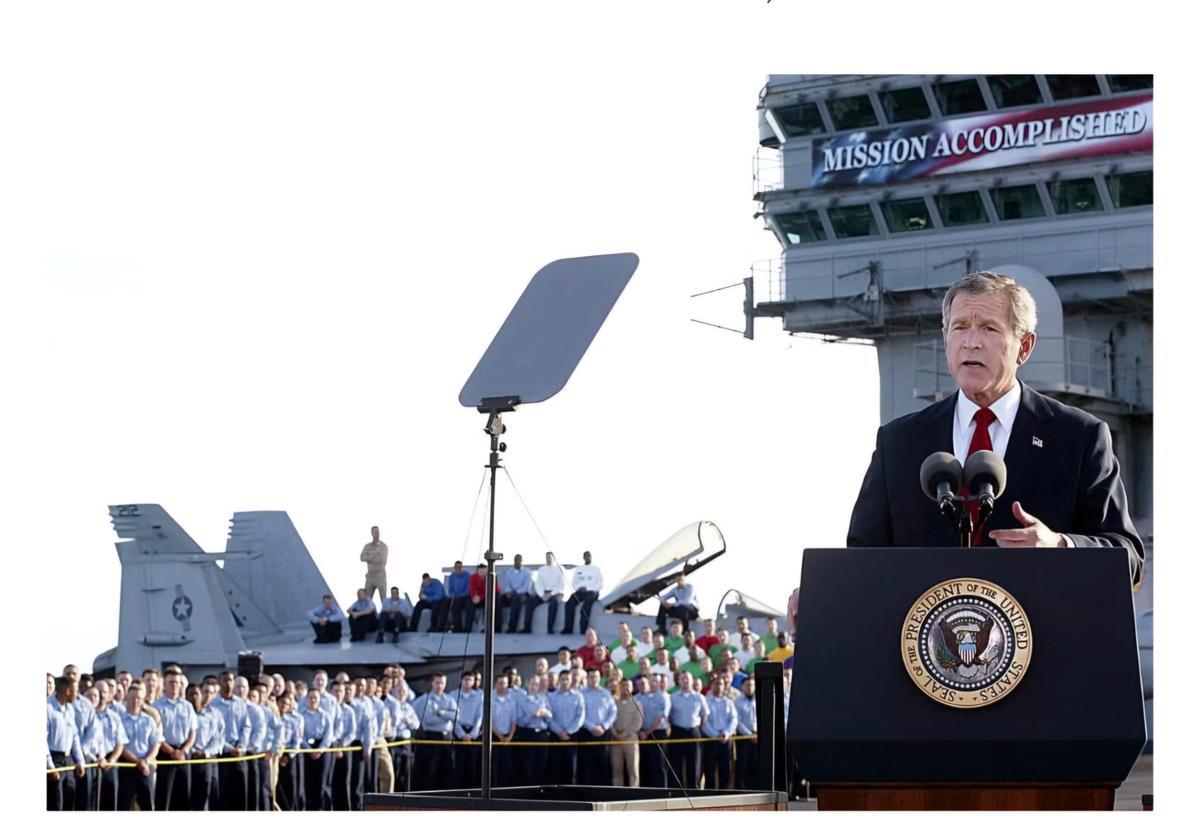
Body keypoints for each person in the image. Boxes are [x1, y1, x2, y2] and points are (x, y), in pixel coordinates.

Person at [846, 271, 1143, 583]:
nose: (971, 343)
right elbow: (862, 557)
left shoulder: (1079, 437)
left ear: (1024, 347)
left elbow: (1129, 557)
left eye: (988, 328)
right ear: (947, 339)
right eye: (960, 327)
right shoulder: (899, 442)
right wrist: (818, 591)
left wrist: (1060, 545)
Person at [153, 666, 197, 810]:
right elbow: (157, 734)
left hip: (184, 754)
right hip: (165, 754)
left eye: (177, 683)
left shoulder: (187, 706)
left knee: (184, 798)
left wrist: (183, 751)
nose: (175, 686)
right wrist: (172, 752)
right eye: (171, 682)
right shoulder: (157, 706)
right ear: (164, 685)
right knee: (164, 798)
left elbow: (192, 732)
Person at [118, 682, 162, 810]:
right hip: (127, 767)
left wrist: (146, 761)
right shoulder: (120, 720)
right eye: (132, 698)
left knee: (148, 805)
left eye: (138, 698)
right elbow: (121, 746)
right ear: (126, 698)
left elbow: (156, 743)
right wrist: (138, 761)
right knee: (124, 805)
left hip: (146, 768)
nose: (135, 701)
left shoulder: (148, 720)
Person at [212, 670, 251, 810]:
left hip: (239, 753)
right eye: (225, 680)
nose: (228, 683)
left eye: (230, 680)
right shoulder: (213, 704)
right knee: (222, 794)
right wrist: (229, 748)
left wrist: (241, 746)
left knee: (241, 793)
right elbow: (214, 732)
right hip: (222, 753)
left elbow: (246, 726)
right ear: (219, 682)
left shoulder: (240, 703)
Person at [47, 675, 87, 811]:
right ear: (68, 691)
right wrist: (50, 767)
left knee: (70, 800)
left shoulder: (70, 709)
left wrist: (80, 761)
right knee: (56, 803)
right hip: (54, 759)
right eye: (76, 691)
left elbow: (74, 736)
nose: (78, 695)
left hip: (68, 760)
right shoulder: (46, 709)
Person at [411, 673, 456, 790]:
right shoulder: (424, 699)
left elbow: (456, 716)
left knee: (446, 767)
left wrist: (441, 713)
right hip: (431, 736)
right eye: (437, 683)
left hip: (446, 737)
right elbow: (429, 719)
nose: (440, 686)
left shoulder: (449, 699)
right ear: (432, 683)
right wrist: (447, 716)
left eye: (442, 683)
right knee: (430, 767)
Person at [667, 671, 708, 790]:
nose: (685, 681)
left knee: (694, 762)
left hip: (693, 732)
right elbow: (669, 716)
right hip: (677, 731)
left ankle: (694, 789)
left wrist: (698, 727)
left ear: (692, 681)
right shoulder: (673, 697)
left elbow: (704, 715)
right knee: (676, 762)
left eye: (687, 679)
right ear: (679, 681)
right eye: (682, 679)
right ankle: (676, 790)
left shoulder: (699, 697)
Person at [578, 668, 617, 785]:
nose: (593, 679)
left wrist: (604, 726)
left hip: (603, 733)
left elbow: (613, 711)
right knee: (587, 764)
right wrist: (591, 727)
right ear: (587, 679)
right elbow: (579, 714)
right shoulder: (581, 694)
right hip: (586, 733)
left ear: (600, 678)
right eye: (591, 677)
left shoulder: (606, 693)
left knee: (604, 763)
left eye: (596, 677)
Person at [547, 670, 585, 783]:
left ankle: (571, 794)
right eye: (563, 679)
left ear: (571, 681)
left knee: (571, 767)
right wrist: (559, 731)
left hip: (571, 737)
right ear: (559, 680)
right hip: (556, 736)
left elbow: (580, 716)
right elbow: (549, 717)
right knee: (555, 768)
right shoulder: (551, 697)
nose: (565, 681)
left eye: (567, 679)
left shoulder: (578, 696)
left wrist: (568, 731)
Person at [298, 687, 333, 812]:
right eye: (310, 697)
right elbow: (299, 736)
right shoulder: (300, 715)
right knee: (307, 781)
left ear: (319, 700)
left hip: (321, 749)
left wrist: (320, 750)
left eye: (315, 698)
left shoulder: (326, 715)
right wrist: (309, 750)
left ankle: (321, 808)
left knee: (322, 781)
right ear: (307, 699)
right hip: (306, 749)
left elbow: (329, 735)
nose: (313, 700)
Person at [514, 674, 552, 785]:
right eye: (531, 684)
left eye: (536, 684)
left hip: (542, 734)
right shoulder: (522, 700)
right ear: (527, 685)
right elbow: (520, 720)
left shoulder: (543, 698)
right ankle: (528, 787)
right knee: (527, 762)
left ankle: (540, 787)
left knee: (542, 762)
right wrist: (532, 715)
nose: (533, 687)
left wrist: (544, 713)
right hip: (528, 733)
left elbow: (551, 716)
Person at [701, 676, 736, 789]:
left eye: (721, 684)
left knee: (725, 768)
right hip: (711, 740)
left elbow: (734, 719)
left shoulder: (729, 702)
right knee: (709, 769)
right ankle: (709, 794)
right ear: (711, 686)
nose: (719, 686)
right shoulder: (705, 701)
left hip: (726, 739)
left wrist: (726, 733)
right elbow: (704, 722)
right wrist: (716, 735)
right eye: (716, 684)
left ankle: (724, 793)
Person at [636, 673, 671, 788]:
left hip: (658, 734)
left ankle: (661, 792)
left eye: (657, 681)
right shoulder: (641, 697)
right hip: (642, 734)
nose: (654, 683)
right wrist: (641, 732)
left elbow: (659, 717)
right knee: (645, 763)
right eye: (652, 681)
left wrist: (647, 732)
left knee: (659, 764)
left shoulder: (663, 697)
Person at [450, 672, 483, 788]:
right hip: (459, 733)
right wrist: (461, 734)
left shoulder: (480, 696)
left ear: (474, 682)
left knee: (472, 765)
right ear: (461, 680)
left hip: (473, 734)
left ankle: (472, 791)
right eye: (466, 679)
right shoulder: (453, 695)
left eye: (471, 680)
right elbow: (452, 718)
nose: (468, 682)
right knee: (458, 765)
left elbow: (480, 717)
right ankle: (457, 791)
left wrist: (473, 734)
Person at [562, 550, 603, 634]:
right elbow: (574, 582)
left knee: (586, 605)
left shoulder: (596, 569)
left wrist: (587, 588)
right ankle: (568, 628)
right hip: (580, 591)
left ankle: (583, 629)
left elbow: (600, 583)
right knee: (569, 604)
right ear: (583, 558)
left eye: (589, 556)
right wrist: (579, 588)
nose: (588, 558)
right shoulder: (578, 569)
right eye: (586, 556)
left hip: (592, 591)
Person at [610, 678, 641, 787]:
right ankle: (617, 794)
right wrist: (615, 733)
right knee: (616, 770)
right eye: (623, 685)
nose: (625, 688)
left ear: (632, 687)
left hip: (630, 740)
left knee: (633, 770)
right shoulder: (614, 703)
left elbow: (638, 722)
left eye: (628, 685)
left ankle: (634, 793)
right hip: (615, 741)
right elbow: (610, 719)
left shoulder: (637, 703)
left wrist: (625, 734)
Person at [490, 673, 519, 786]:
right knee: (492, 767)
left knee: (506, 766)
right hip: (494, 736)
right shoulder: (489, 698)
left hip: (508, 737)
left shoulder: (511, 700)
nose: (503, 685)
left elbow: (513, 720)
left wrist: (509, 736)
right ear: (495, 684)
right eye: (500, 683)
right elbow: (489, 721)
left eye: (505, 683)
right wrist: (500, 736)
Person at [525, 551, 566, 633]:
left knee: (554, 603)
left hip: (555, 593)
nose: (548, 559)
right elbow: (538, 584)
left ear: (554, 558)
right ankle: (527, 628)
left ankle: (550, 628)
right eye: (547, 557)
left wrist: (550, 594)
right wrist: (542, 595)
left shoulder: (560, 569)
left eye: (550, 557)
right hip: (543, 593)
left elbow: (561, 585)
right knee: (530, 602)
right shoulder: (541, 569)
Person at [498, 553, 532, 633]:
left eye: (519, 560)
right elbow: (507, 584)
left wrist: (514, 593)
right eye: (516, 560)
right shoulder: (509, 572)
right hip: (511, 594)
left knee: (515, 601)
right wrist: (508, 592)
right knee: (499, 600)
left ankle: (512, 627)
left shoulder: (527, 572)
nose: (517, 562)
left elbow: (526, 587)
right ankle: (497, 626)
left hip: (523, 594)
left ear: (521, 561)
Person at [734, 677, 757, 790]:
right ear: (742, 687)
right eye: (747, 685)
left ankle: (754, 788)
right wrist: (749, 734)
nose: (750, 687)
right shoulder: (737, 702)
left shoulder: (760, 699)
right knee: (743, 764)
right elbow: (738, 722)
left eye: (752, 685)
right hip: (744, 737)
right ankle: (741, 789)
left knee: (755, 764)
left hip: (758, 737)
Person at [361, 525, 389, 605]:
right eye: (374, 532)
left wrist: (369, 558)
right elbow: (362, 557)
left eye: (377, 532)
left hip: (380, 575)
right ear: (371, 533)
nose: (376, 534)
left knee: (383, 599)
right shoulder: (367, 546)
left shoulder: (383, 546)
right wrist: (374, 555)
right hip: (370, 575)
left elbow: (381, 560)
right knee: (367, 599)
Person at [468, 563, 499, 632]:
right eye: (480, 572)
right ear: (477, 571)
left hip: (490, 596)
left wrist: (480, 597)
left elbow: (492, 591)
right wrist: (474, 596)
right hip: (478, 598)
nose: (482, 574)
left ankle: (491, 627)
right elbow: (472, 588)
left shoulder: (492, 577)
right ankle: (468, 627)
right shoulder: (473, 577)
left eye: (483, 572)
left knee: (492, 604)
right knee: (469, 603)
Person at [445, 560, 472, 632]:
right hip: (455, 597)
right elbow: (450, 590)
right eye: (456, 568)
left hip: (465, 597)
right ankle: (456, 627)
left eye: (460, 567)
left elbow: (468, 590)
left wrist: (458, 595)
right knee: (450, 604)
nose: (458, 569)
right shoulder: (452, 576)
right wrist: (453, 595)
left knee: (469, 605)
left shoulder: (467, 575)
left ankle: (467, 628)